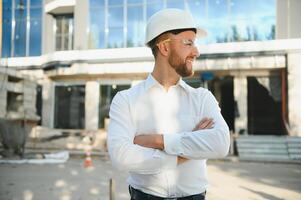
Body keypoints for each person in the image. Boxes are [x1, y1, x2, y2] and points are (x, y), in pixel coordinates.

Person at [107, 8, 230, 200]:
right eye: (188, 43)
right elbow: (121, 157)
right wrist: (189, 148)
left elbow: (221, 144)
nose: (196, 52)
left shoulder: (203, 98)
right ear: (164, 47)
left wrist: (158, 141)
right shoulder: (126, 100)